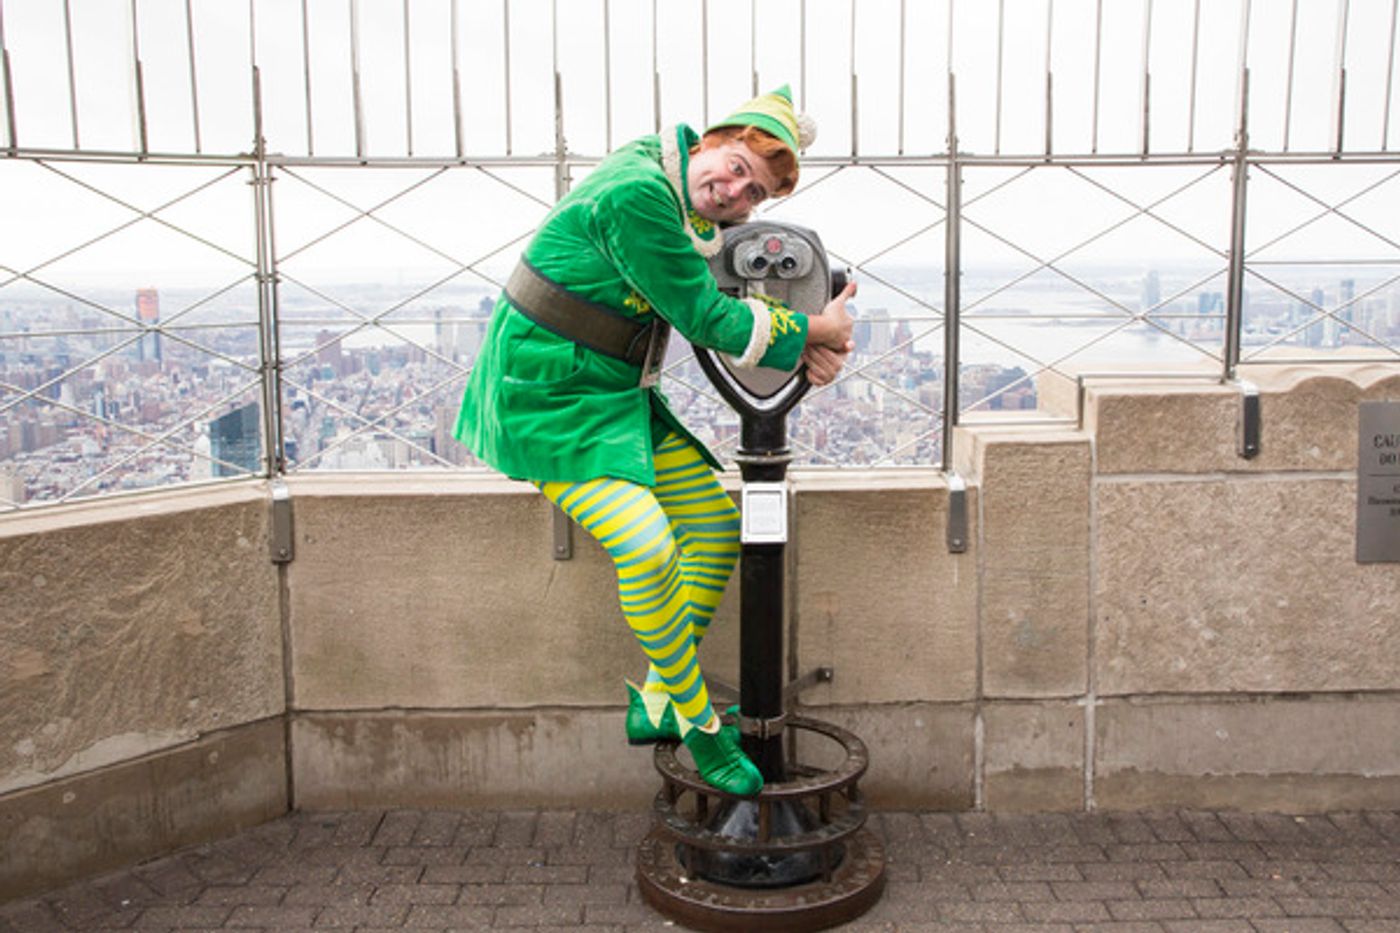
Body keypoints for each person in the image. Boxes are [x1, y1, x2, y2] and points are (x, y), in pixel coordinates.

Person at [454, 86, 855, 797]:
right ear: (710, 141)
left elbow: (705, 299)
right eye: (735, 168)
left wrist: (809, 345)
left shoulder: (673, 193)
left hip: (614, 396)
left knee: (714, 526)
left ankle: (657, 697)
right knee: (646, 547)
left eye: (754, 195)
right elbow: (706, 316)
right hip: (548, 400)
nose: (733, 194)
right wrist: (818, 332)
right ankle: (700, 726)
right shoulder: (638, 193)